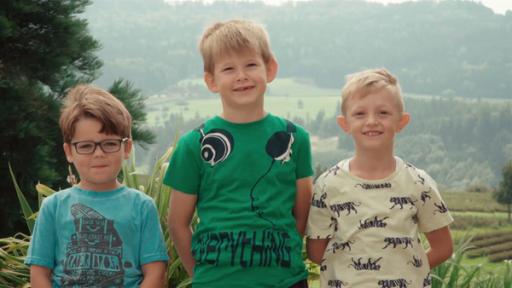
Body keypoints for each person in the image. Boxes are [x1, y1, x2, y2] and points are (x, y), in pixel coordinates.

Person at [164, 19, 313, 288]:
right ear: (211, 80)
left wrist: (281, 254)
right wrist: (199, 274)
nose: (241, 75)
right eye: (228, 68)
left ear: (270, 68)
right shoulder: (193, 145)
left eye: (251, 65)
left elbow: (301, 214)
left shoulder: (294, 139)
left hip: (285, 281)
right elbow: (177, 223)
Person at [306, 68, 453, 288]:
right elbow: (316, 252)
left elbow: (443, 248)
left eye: (383, 113)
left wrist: (407, 273)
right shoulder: (328, 185)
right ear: (344, 123)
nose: (372, 121)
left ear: (401, 121)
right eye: (360, 114)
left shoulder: (419, 183)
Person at [25, 85, 168, 288]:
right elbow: (39, 273)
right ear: (69, 152)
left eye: (109, 143)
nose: (98, 154)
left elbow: (155, 272)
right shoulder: (53, 206)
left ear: (126, 148)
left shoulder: (142, 206)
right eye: (85, 146)